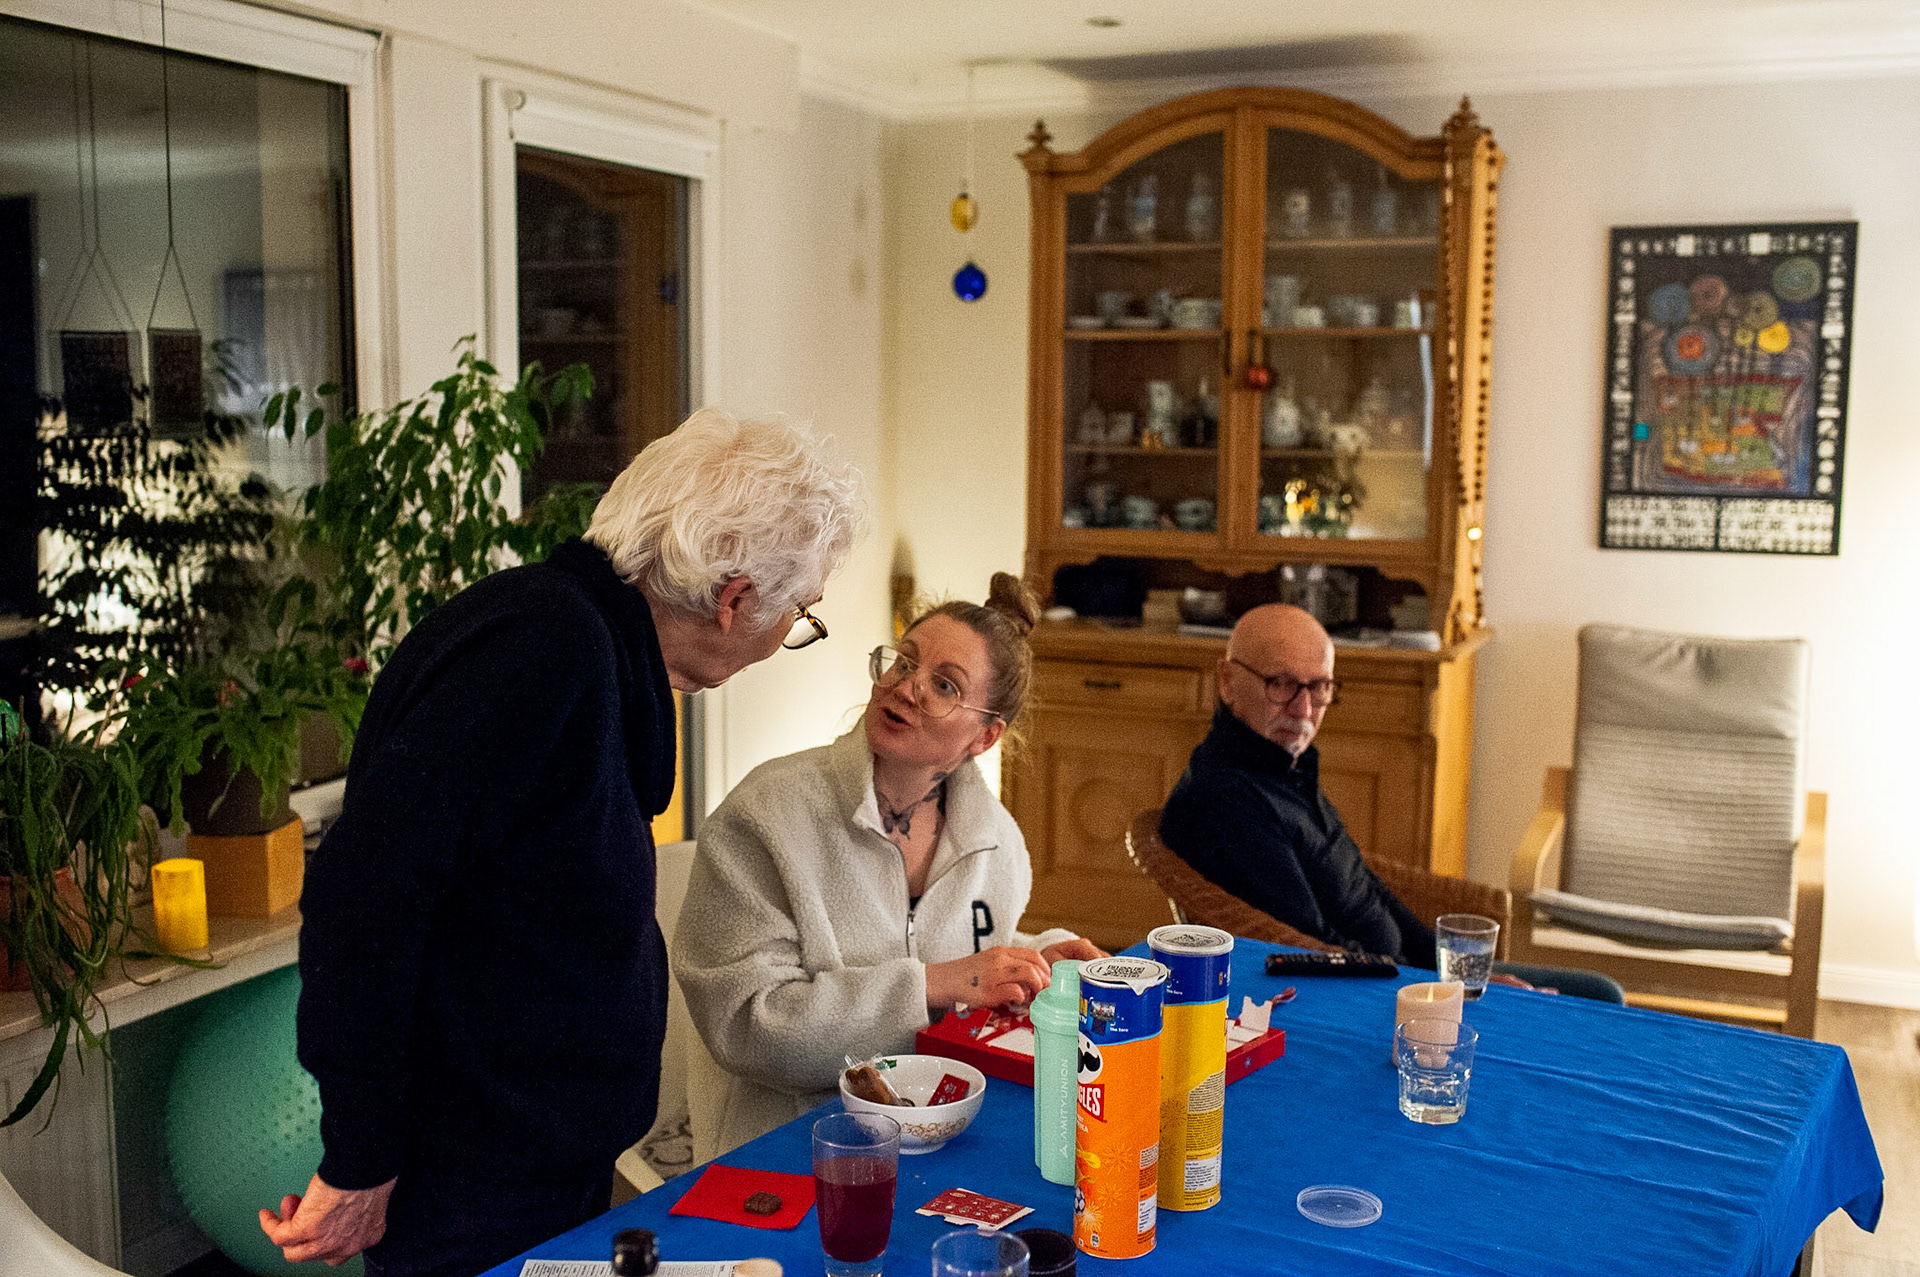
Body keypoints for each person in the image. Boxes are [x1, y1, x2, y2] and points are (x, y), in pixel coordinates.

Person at [263, 410, 863, 1277]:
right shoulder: (543, 648)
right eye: (799, 613)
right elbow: (365, 902)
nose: (787, 633)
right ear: (734, 600)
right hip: (475, 1179)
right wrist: (360, 1155)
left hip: (537, 1164)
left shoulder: (589, 649)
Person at [673, 573, 1105, 1159]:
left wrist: (1032, 960)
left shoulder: (999, 845)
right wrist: (933, 986)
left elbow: (964, 951)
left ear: (985, 736)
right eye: (904, 663)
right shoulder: (764, 816)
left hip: (938, 1143)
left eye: (944, 685)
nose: (906, 687)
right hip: (783, 1154)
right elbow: (748, 1024)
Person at [1160, 604, 1622, 1001]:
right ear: (1227, 681)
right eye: (1281, 684)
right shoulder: (1225, 799)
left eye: (1320, 687)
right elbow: (1312, 947)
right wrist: (1436, 987)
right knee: (1597, 996)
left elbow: (1365, 887)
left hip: (1408, 977)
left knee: (1600, 992)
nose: (1303, 711)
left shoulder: (1284, 765)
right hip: (1378, 998)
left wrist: (1447, 968)